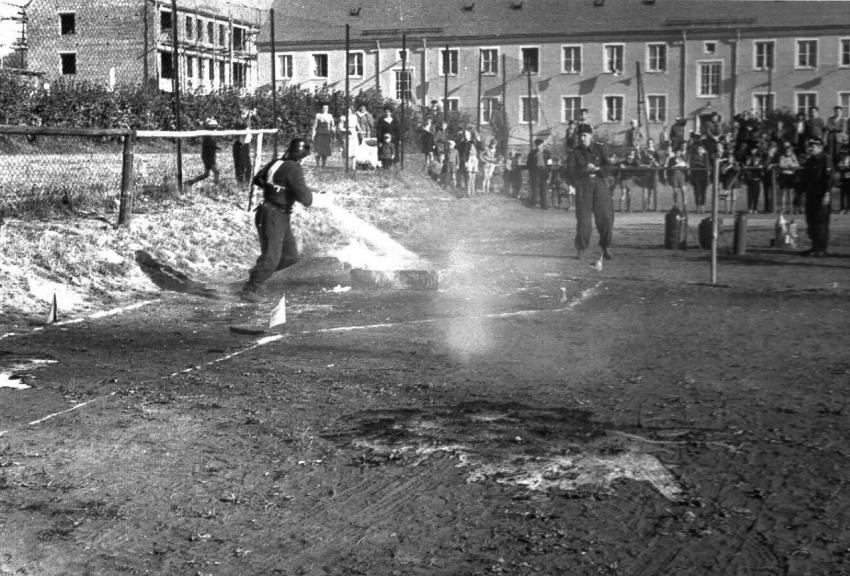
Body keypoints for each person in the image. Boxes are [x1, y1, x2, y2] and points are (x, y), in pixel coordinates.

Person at [240, 138, 314, 301]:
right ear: (302, 156)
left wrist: (277, 189)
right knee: (272, 258)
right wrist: (286, 192)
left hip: (273, 212)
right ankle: (250, 289)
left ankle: (257, 273)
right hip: (274, 215)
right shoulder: (294, 168)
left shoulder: (277, 162)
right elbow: (306, 199)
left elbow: (258, 179)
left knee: (290, 256)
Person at [565, 125, 613, 261]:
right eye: (580, 136)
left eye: (585, 135)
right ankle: (581, 249)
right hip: (584, 187)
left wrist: (597, 169)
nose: (582, 138)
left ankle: (606, 247)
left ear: (591, 136)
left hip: (599, 185)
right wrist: (584, 171)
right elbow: (569, 173)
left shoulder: (600, 149)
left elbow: (609, 167)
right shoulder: (575, 153)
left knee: (605, 218)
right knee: (583, 220)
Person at [800, 137, 833, 257]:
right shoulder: (811, 160)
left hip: (821, 193)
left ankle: (821, 248)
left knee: (821, 222)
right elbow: (806, 177)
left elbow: (829, 177)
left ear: (820, 147)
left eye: (812, 146)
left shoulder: (825, 159)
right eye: (810, 146)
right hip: (811, 194)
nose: (810, 148)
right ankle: (814, 246)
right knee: (811, 220)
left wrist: (827, 193)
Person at [186, 118, 221, 187]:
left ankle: (190, 182)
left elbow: (212, 144)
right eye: (213, 126)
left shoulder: (212, 135)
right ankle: (216, 188)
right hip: (208, 156)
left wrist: (216, 147)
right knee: (216, 172)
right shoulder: (206, 134)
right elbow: (208, 145)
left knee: (206, 174)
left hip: (210, 156)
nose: (215, 128)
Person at [778, 142, 801, 214]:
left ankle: (791, 208)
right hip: (784, 175)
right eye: (786, 150)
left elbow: (797, 165)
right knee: (783, 192)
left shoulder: (793, 156)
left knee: (791, 192)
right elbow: (781, 165)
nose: (788, 152)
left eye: (789, 150)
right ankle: (783, 208)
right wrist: (789, 166)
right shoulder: (782, 156)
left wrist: (792, 165)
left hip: (791, 175)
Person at [526, 138, 549, 208]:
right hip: (535, 172)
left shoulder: (547, 152)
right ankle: (533, 204)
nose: (538, 146)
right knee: (535, 188)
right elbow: (528, 163)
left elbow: (550, 162)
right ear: (535, 145)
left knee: (544, 188)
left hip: (544, 171)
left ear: (542, 144)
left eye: (540, 144)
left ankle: (544, 205)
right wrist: (531, 171)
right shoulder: (532, 153)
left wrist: (548, 171)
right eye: (537, 145)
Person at [311, 103, 335, 167]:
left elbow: (332, 126)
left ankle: (323, 164)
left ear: (328, 109)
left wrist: (333, 135)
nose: (324, 109)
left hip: (327, 134)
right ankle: (317, 164)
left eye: (326, 108)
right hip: (319, 134)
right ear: (321, 108)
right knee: (318, 150)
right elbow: (315, 126)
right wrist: (313, 134)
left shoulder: (330, 116)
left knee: (325, 150)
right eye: (323, 108)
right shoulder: (318, 115)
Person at [689, 143, 711, 214]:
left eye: (701, 149)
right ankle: (697, 208)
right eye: (699, 149)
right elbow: (692, 164)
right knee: (697, 192)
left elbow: (707, 166)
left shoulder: (705, 157)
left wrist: (706, 155)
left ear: (704, 150)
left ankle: (703, 208)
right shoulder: (694, 156)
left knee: (703, 192)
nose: (700, 150)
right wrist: (702, 165)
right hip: (696, 176)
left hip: (704, 176)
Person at [837, 145, 850, 214]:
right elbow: (840, 167)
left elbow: (845, 167)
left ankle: (848, 208)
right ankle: (842, 208)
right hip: (843, 178)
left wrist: (845, 167)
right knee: (842, 194)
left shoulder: (849, 159)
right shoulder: (841, 159)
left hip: (848, 178)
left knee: (848, 194)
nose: (843, 155)